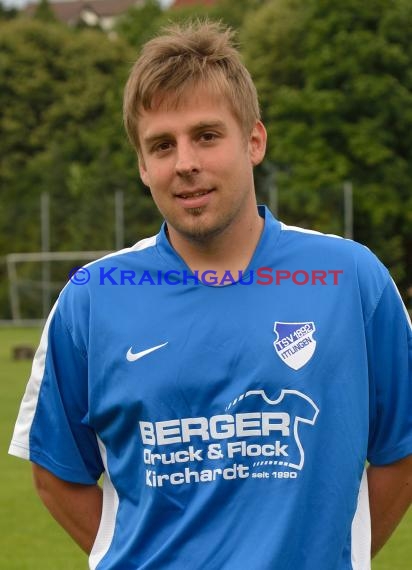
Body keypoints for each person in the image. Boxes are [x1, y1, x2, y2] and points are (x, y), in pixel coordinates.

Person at [9, 20, 412, 570]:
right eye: (162, 145)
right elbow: (56, 470)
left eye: (206, 135)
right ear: (143, 167)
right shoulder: (92, 298)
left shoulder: (351, 279)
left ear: (253, 141)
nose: (185, 163)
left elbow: (402, 452)